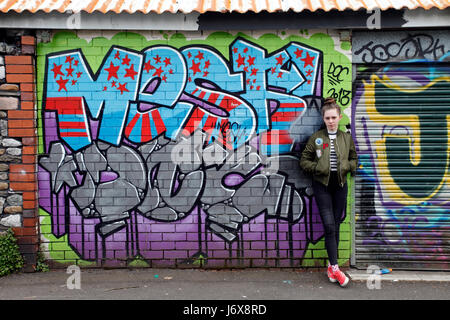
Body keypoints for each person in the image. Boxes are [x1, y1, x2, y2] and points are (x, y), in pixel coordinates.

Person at [300, 97, 357, 287]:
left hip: (340, 186)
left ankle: (332, 267)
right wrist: (318, 168)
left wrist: (348, 166)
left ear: (340, 117)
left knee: (337, 225)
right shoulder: (317, 138)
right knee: (329, 226)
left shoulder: (346, 138)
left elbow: (354, 159)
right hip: (322, 186)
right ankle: (335, 267)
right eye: (327, 118)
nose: (331, 121)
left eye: (333, 117)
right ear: (323, 119)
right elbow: (304, 161)